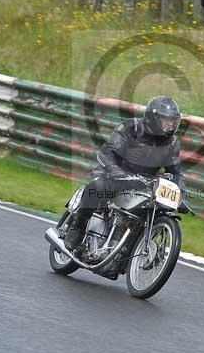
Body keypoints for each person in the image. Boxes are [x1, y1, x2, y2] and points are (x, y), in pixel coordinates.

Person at [64, 96, 185, 251]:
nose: (170, 124)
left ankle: (127, 244)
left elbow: (175, 172)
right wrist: (115, 170)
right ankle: (78, 228)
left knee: (155, 208)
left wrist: (180, 194)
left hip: (142, 184)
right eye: (166, 120)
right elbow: (107, 152)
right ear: (153, 118)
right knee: (98, 187)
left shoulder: (172, 143)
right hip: (113, 175)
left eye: (173, 121)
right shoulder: (131, 127)